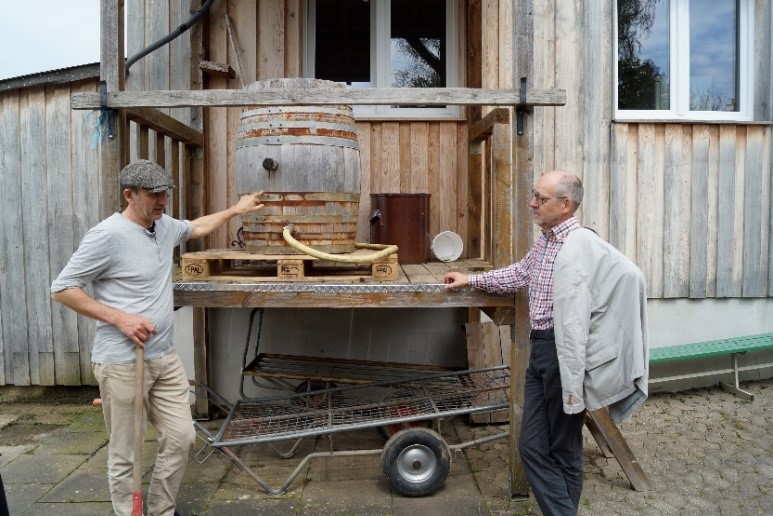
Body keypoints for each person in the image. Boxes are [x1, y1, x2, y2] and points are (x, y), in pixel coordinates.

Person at [51, 159, 264, 516]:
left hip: (163, 357)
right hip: (122, 361)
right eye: (154, 195)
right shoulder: (107, 235)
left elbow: (196, 227)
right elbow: (62, 289)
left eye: (165, 194)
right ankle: (129, 513)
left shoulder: (163, 226)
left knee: (182, 438)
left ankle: (162, 509)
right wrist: (120, 318)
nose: (162, 201)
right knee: (127, 452)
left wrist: (236, 210)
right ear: (129, 195)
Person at [444, 170, 648, 516]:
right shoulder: (546, 241)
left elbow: (631, 276)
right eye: (534, 195)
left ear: (566, 205)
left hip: (562, 353)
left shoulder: (582, 244)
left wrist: (601, 334)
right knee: (534, 447)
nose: (532, 203)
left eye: (541, 198)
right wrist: (471, 280)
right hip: (540, 350)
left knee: (562, 448)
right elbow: (521, 273)